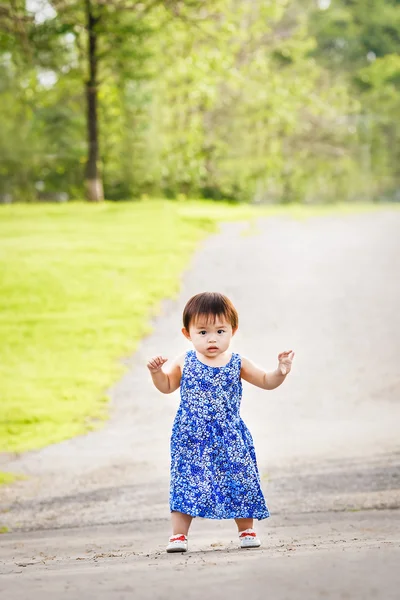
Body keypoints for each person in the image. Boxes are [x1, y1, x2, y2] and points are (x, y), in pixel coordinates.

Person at [147, 292, 294, 553]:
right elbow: (167, 386)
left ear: (232, 331)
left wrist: (280, 371)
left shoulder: (237, 362)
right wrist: (157, 373)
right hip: (191, 435)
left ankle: (246, 529)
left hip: (229, 433)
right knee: (186, 481)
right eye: (202, 332)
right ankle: (178, 535)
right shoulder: (186, 360)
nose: (212, 338)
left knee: (239, 478)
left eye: (220, 331)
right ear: (187, 333)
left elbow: (266, 381)